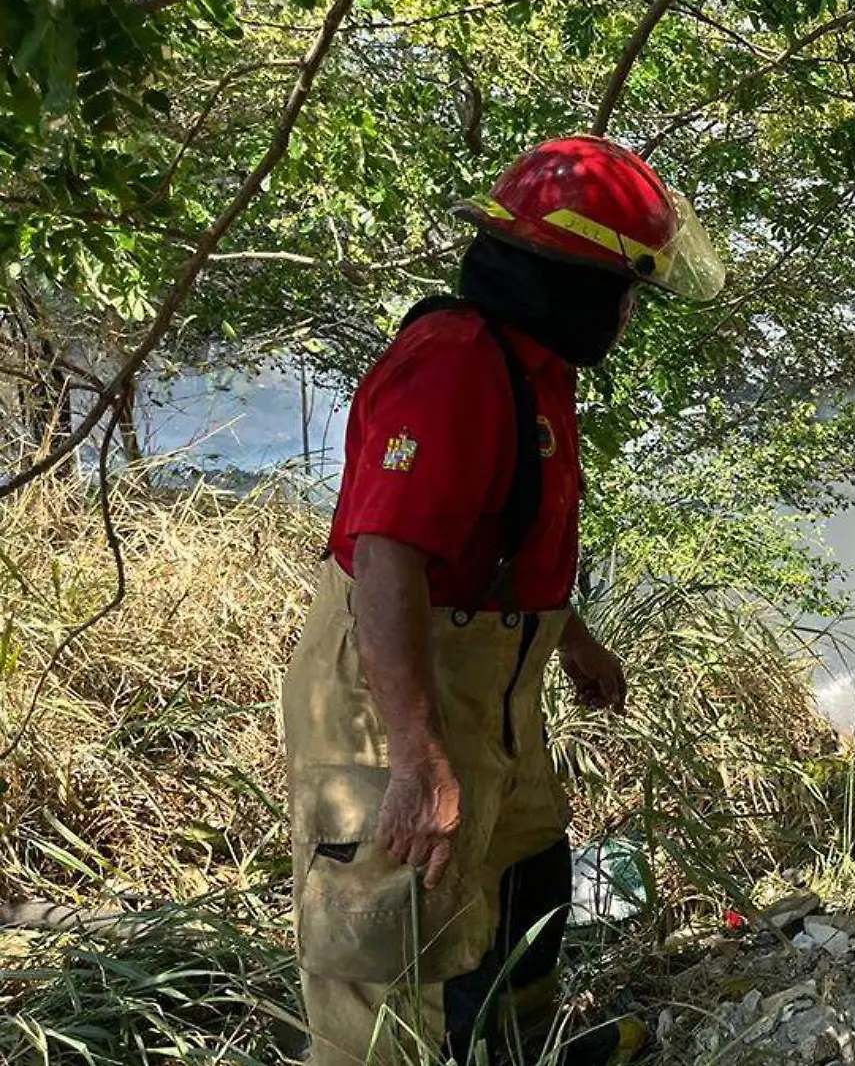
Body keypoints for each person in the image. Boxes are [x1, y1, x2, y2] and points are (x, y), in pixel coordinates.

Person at [277, 135, 725, 1066]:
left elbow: (504, 542)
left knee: (526, 874)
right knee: (389, 941)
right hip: (394, 694)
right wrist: (417, 760)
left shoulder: (532, 366)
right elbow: (389, 559)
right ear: (564, 277)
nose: (630, 311)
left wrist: (573, 640)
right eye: (623, 288)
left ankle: (512, 1051)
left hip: (492, 683)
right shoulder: (452, 367)